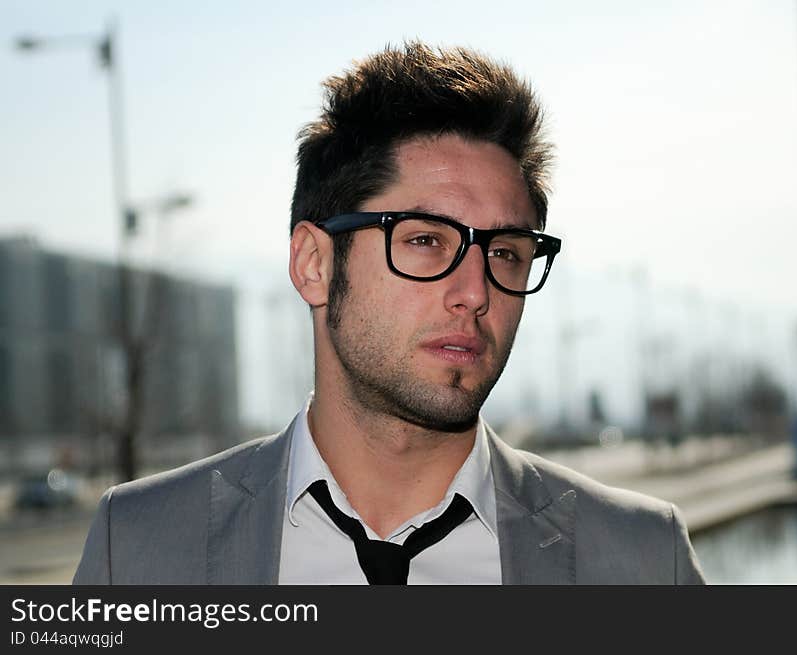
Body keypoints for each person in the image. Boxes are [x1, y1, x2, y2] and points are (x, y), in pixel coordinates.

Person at [73, 41, 705, 585]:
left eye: (507, 253)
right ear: (314, 265)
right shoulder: (135, 549)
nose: (476, 291)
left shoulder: (644, 559)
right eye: (426, 240)